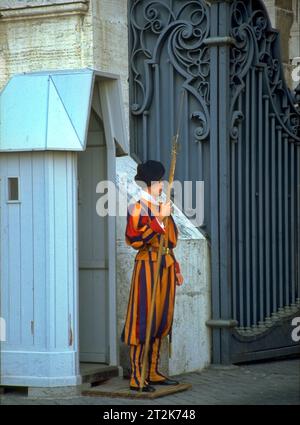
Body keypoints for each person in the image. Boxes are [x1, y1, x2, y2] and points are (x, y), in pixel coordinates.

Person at [120, 160, 184, 392]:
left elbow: (169, 242)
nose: (162, 186)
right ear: (151, 183)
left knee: (161, 320)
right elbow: (135, 240)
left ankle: (152, 372)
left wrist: (175, 267)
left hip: (165, 266)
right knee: (144, 320)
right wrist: (158, 220)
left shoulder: (160, 205)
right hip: (147, 266)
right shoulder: (137, 208)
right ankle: (137, 376)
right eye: (159, 182)